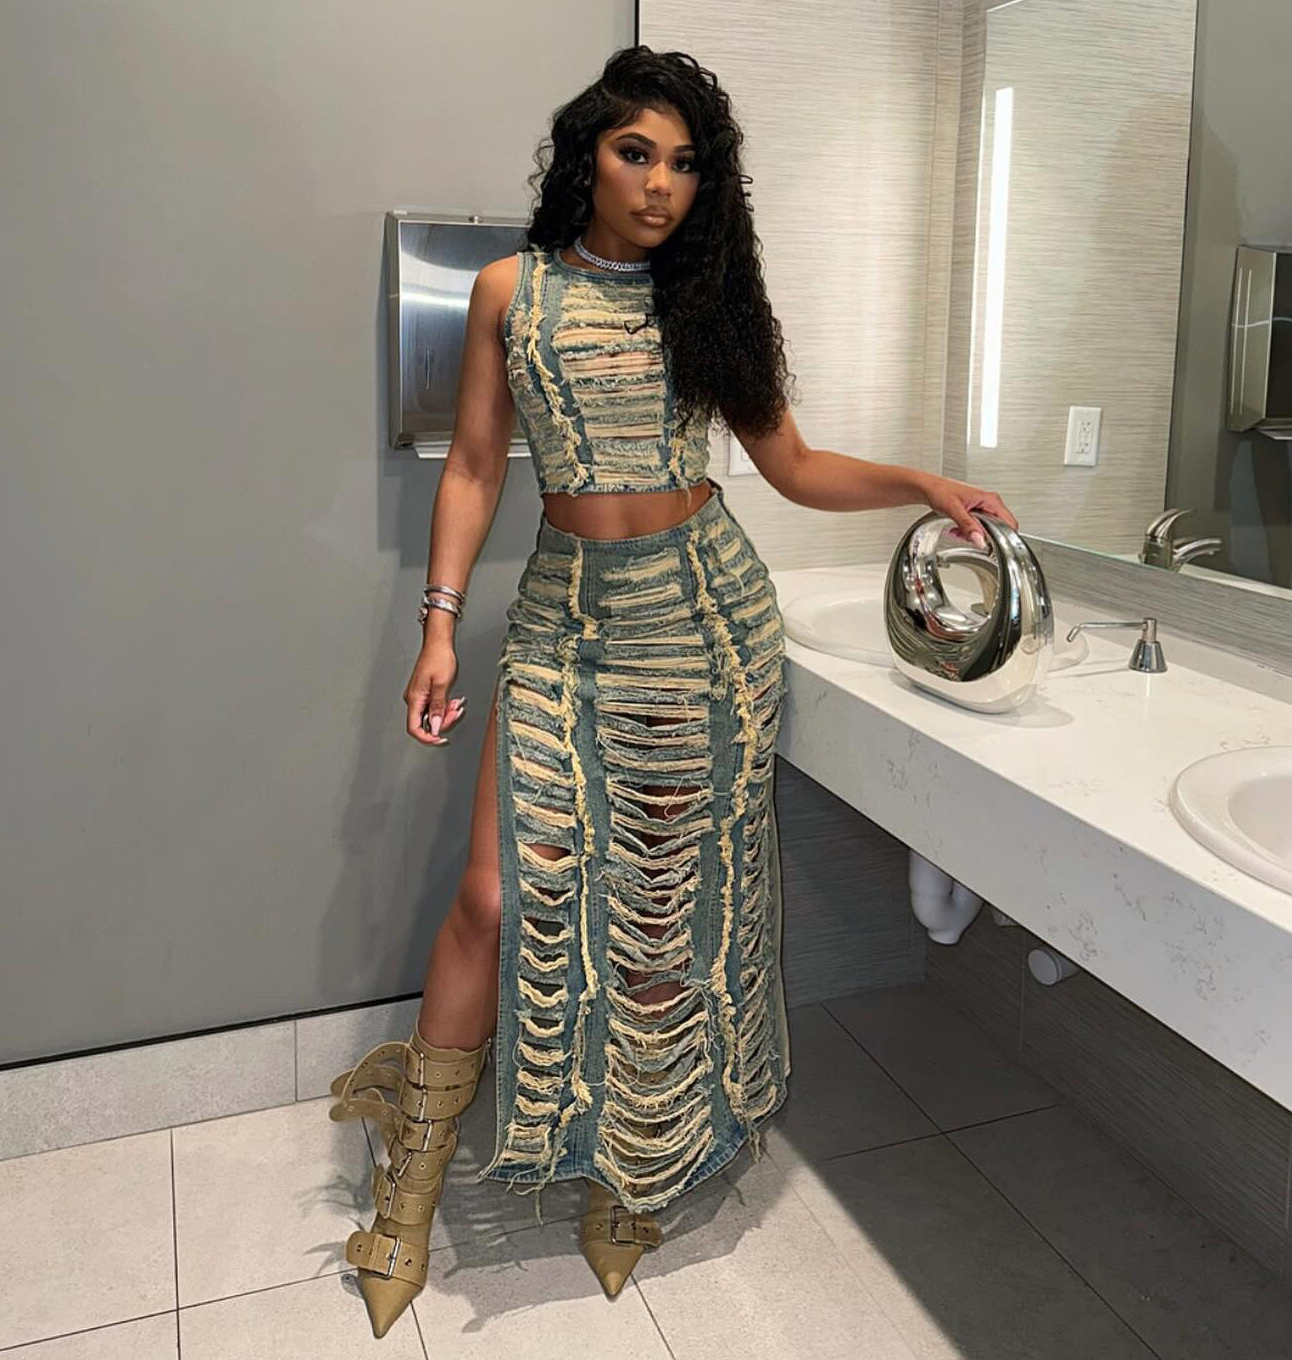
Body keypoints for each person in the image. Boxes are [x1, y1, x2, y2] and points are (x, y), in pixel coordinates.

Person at [327, 44, 1019, 1339]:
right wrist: (437, 630)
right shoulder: (509, 292)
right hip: (566, 622)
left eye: (685, 163)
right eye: (635, 152)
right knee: (491, 897)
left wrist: (923, 484)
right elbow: (473, 467)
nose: (658, 183)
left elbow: (793, 465)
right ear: (586, 155)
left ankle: (632, 1178)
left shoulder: (708, 304)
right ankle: (406, 1191)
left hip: (704, 625)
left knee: (661, 919)